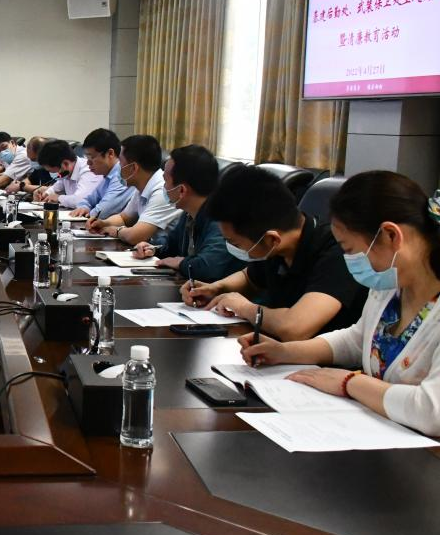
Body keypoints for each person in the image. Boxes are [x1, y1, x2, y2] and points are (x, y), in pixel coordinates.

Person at [238, 172, 440, 436]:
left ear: (391, 235)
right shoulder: (391, 285)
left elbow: (432, 411)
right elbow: (358, 339)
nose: (350, 261)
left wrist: (349, 382)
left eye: (350, 250)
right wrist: (286, 352)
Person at [181, 164, 366, 340]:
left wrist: (244, 307)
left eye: (234, 243)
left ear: (272, 239)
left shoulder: (337, 251)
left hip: (329, 359)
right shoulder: (277, 245)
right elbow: (249, 278)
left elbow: (295, 328)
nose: (232, 248)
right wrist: (216, 288)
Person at [130, 144, 245, 282]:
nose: (164, 187)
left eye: (165, 181)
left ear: (182, 190)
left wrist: (180, 263)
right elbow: (171, 245)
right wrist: (153, 248)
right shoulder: (188, 213)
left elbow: (209, 267)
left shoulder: (220, 218)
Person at [87, 134, 181, 246]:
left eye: (120, 162)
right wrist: (104, 223)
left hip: (165, 253)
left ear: (133, 168)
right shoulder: (142, 185)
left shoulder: (162, 190)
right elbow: (124, 218)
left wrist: (117, 231)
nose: (118, 167)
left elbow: (135, 236)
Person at [68, 128, 134, 219]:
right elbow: (88, 200)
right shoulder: (108, 175)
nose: (88, 163)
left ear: (110, 153)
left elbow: (103, 212)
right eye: (87, 158)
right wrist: (84, 207)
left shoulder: (122, 175)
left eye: (92, 157)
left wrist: (89, 212)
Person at [32, 139, 103, 209]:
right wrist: (46, 193)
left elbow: (80, 200)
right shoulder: (67, 171)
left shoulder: (89, 170)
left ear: (65, 164)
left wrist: (59, 198)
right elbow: (57, 187)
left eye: (55, 171)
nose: (57, 175)